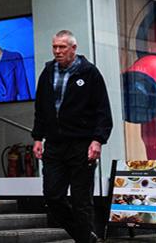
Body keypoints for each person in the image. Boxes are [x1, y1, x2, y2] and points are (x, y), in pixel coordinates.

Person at [31, 30, 112, 243]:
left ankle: (85, 240)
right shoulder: (48, 72)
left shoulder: (89, 73)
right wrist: (38, 137)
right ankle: (85, 237)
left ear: (73, 48)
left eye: (62, 47)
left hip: (82, 145)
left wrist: (98, 140)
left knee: (81, 200)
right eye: (55, 47)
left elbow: (103, 110)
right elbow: (41, 108)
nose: (57, 51)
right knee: (52, 196)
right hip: (55, 145)